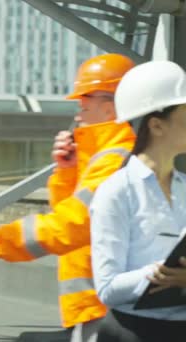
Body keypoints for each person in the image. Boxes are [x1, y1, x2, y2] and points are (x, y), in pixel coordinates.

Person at [0, 54, 137, 342]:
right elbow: (70, 211)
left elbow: (71, 224)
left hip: (107, 313)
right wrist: (68, 171)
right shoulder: (106, 155)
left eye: (83, 105)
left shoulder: (116, 158)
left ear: (109, 108)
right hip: (98, 310)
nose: (77, 115)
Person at [90, 60, 186, 342]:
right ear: (157, 125)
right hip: (133, 333)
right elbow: (107, 287)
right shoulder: (117, 191)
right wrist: (157, 274)